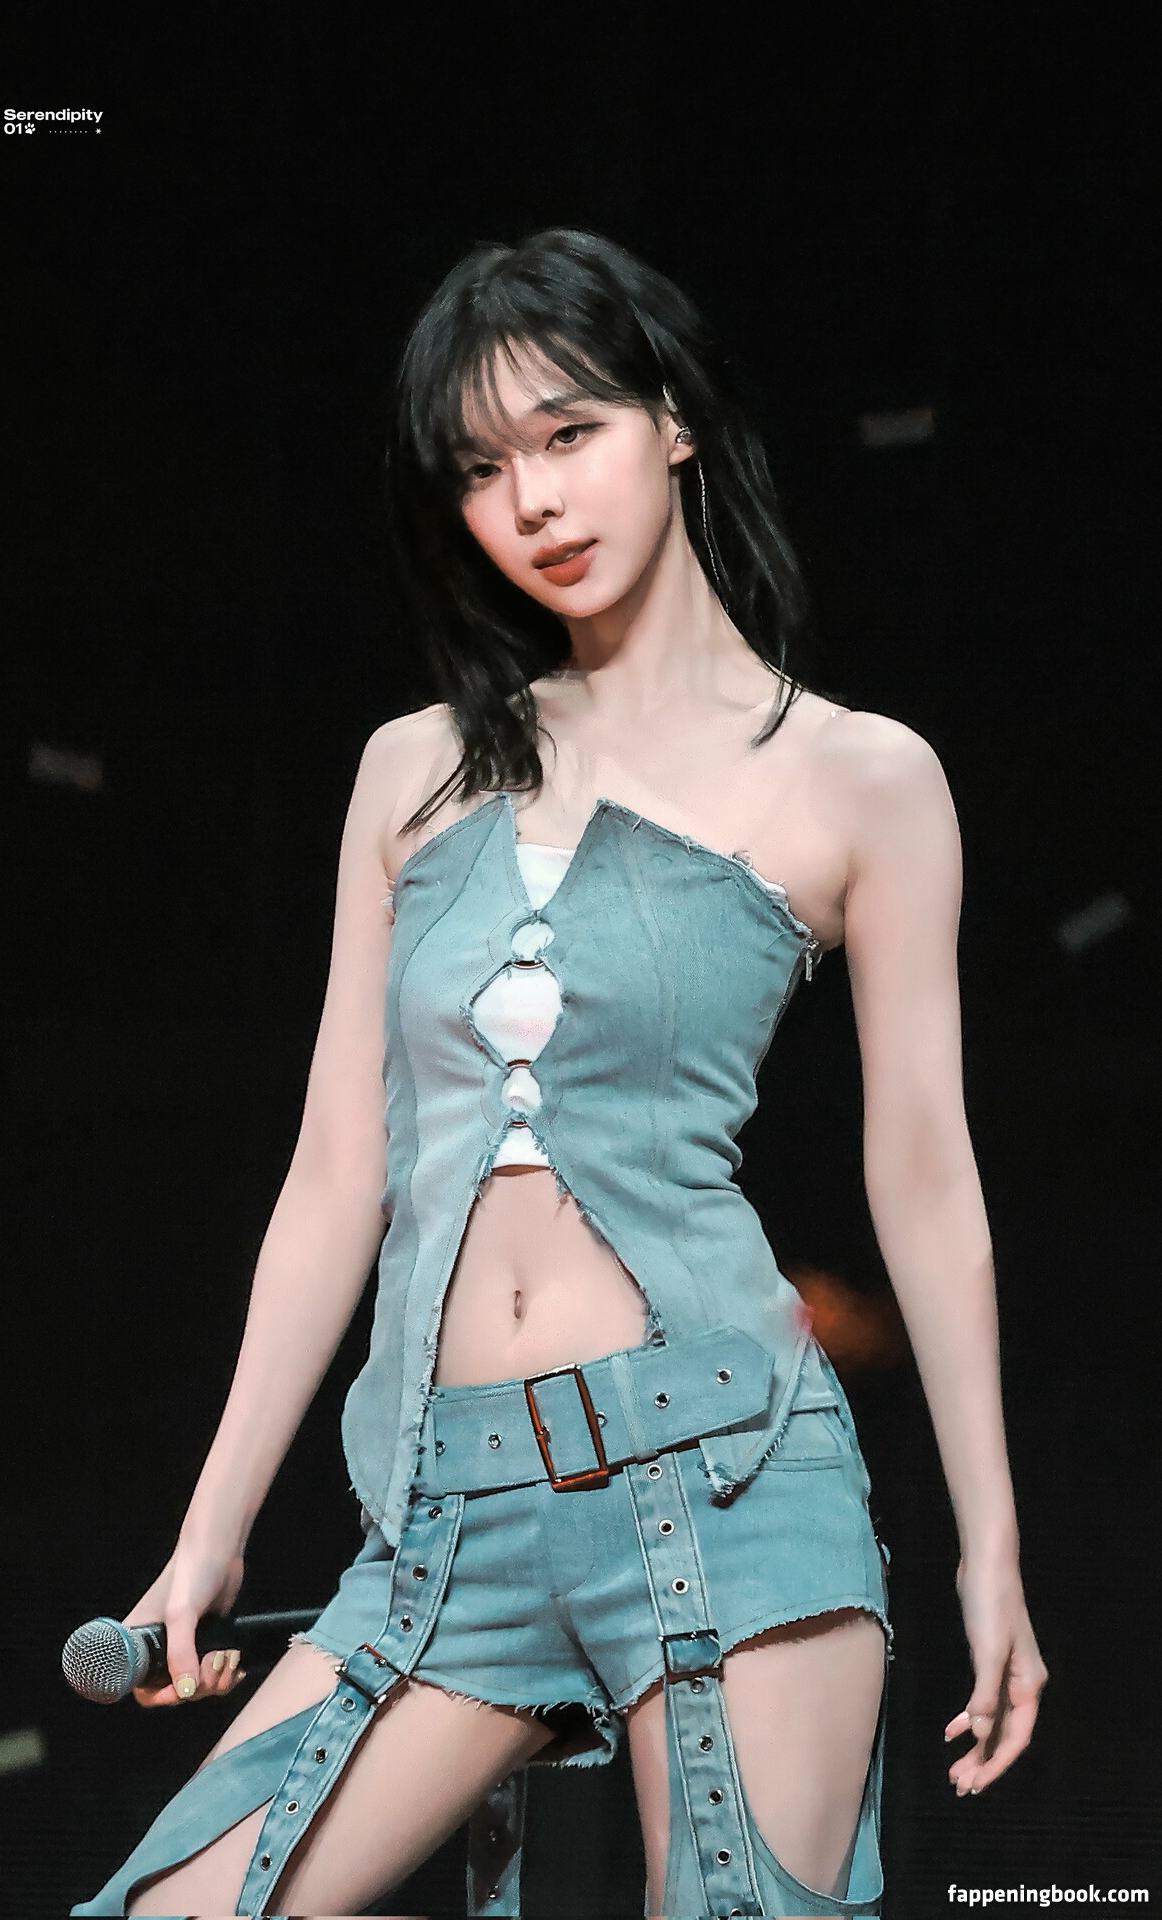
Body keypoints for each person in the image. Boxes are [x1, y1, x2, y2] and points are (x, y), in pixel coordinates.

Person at [71, 228, 1048, 1920]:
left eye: (567, 433)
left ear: (673, 420)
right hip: (446, 1516)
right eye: (478, 468)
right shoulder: (411, 771)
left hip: (733, 1477)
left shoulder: (860, 776)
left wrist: (991, 1545)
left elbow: (922, 1174)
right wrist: (210, 1529)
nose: (529, 500)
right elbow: (336, 1175)